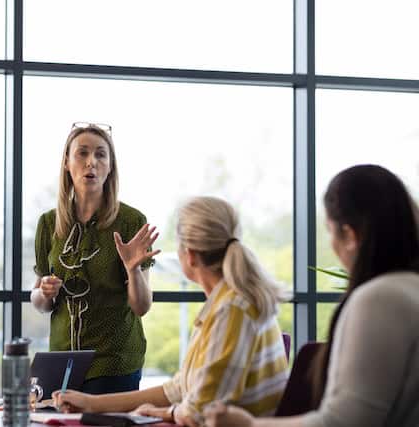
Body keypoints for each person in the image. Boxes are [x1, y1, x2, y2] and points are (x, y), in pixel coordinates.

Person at [205, 164, 419, 427]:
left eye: (330, 231)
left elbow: (343, 422)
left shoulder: (379, 299)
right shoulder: (409, 289)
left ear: (350, 235)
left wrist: (246, 425)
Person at [53, 196, 291, 425]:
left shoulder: (233, 310)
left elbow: (199, 412)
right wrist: (92, 403)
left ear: (190, 255)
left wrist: (164, 413)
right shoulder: (228, 304)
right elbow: (179, 389)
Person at [30, 122, 160, 394]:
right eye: (82, 153)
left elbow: (142, 306)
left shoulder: (130, 221)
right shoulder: (48, 223)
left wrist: (133, 269)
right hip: (62, 362)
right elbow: (40, 303)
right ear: (67, 163)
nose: (91, 162)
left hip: (114, 363)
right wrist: (44, 291)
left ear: (110, 166)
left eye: (101, 154)